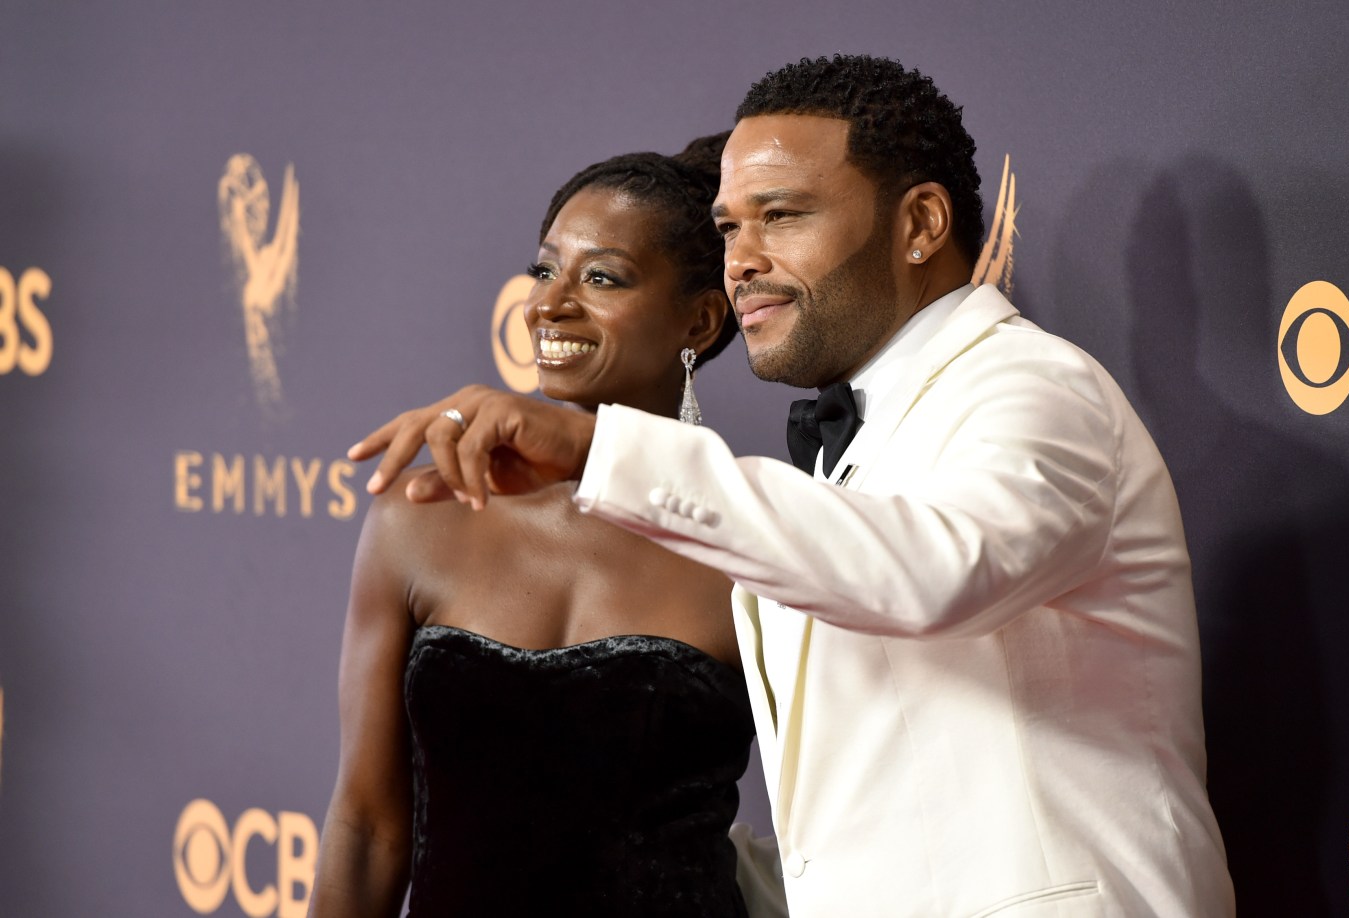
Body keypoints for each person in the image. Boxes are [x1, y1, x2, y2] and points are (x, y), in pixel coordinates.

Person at [351, 55, 1235, 916]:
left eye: (781, 215)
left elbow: (936, 572)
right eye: (731, 228)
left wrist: (601, 451)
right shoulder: (851, 450)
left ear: (920, 224)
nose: (742, 259)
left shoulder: (1035, 388)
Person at [310, 139, 765, 917]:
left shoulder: (755, 535)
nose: (548, 304)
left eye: (602, 277)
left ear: (700, 319)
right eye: (545, 269)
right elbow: (365, 827)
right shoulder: (426, 513)